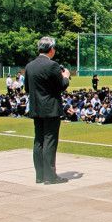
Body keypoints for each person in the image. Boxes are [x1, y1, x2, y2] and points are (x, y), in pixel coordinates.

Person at [24, 37, 70, 185]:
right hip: (50, 108)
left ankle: (40, 175)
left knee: (39, 141)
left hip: (36, 107)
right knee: (50, 141)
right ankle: (50, 176)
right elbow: (61, 85)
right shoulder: (53, 65)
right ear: (51, 49)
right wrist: (66, 77)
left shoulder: (30, 66)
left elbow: (27, 88)